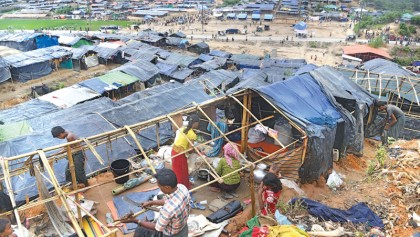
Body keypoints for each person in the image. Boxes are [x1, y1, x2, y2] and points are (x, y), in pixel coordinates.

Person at [121, 169, 190, 237]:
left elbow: (157, 228)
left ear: (167, 187)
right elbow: (167, 200)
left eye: (159, 186)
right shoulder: (182, 188)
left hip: (172, 234)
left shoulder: (168, 210)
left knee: (141, 231)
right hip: (183, 228)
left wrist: (135, 221)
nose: (159, 188)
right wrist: (151, 202)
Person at [171, 114, 200, 189]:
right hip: (180, 153)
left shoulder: (183, 128)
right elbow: (190, 149)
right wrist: (195, 151)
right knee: (181, 171)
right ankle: (181, 187)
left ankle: (185, 184)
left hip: (174, 151)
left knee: (181, 169)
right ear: (195, 123)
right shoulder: (192, 134)